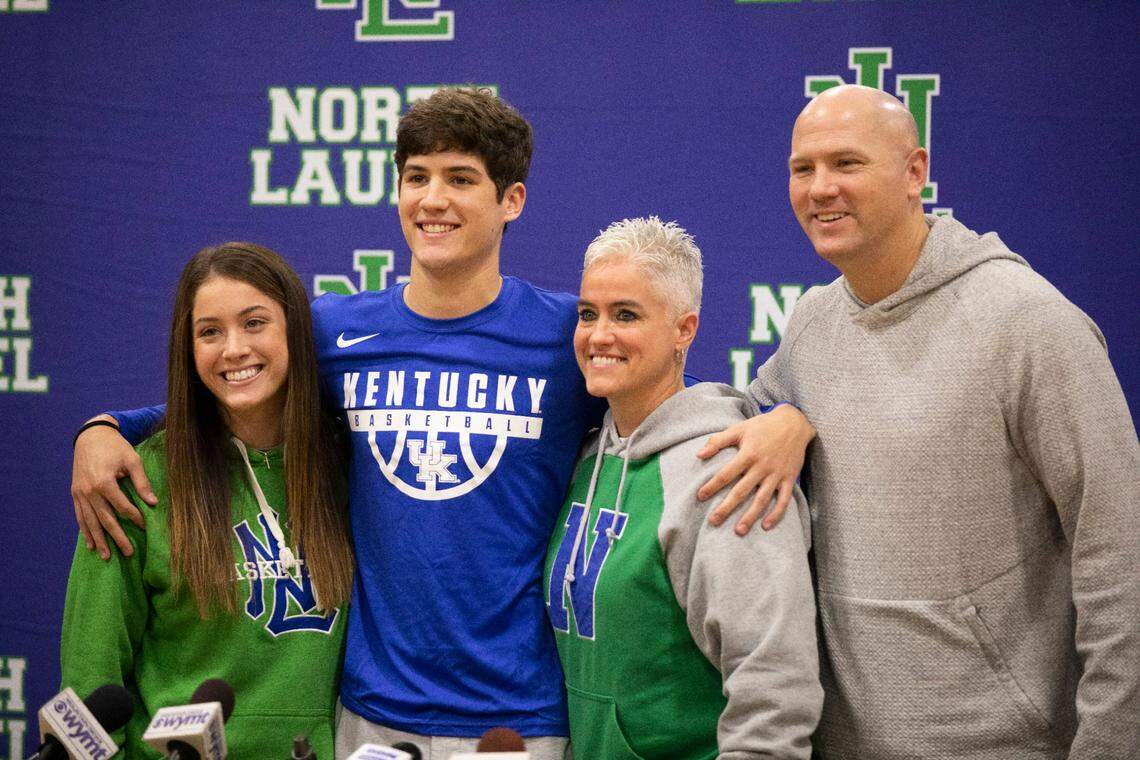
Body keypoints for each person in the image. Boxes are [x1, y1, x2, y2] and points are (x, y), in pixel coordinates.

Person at [68, 89, 813, 760]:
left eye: (460, 179)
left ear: (511, 200)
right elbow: (239, 388)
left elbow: (664, 405)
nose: (434, 199)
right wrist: (109, 426)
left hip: (521, 717)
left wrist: (783, 419)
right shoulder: (334, 330)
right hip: (370, 713)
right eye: (416, 177)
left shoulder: (567, 335)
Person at [747, 84, 1139, 758]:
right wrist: (783, 413)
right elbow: (736, 422)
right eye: (802, 168)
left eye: (847, 164)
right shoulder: (812, 324)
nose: (819, 189)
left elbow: (1122, 559)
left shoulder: (1030, 325)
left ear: (915, 173)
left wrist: (1109, 744)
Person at [60, 243, 353, 758]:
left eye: (255, 323)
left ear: (295, 332)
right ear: (188, 348)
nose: (233, 349)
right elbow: (92, 674)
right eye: (210, 331)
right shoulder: (134, 479)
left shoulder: (353, 467)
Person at [545, 217, 821, 759]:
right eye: (587, 314)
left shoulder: (725, 474)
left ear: (683, 330)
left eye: (626, 315)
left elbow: (774, 689)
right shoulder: (583, 460)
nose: (599, 335)